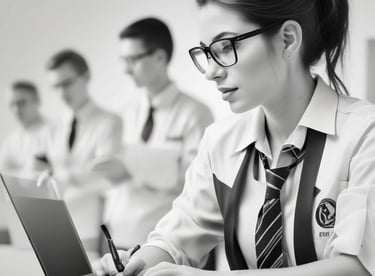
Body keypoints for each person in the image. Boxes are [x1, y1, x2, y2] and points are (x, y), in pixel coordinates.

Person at [95, 0, 374, 275]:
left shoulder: (364, 133)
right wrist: (138, 263)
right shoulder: (220, 142)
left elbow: (358, 266)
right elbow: (176, 236)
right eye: (206, 52)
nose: (210, 72)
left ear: (287, 40)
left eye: (226, 47)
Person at [101, 17, 214, 254]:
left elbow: (196, 182)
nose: (125, 69)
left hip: (164, 243)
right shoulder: (126, 113)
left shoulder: (195, 114)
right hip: (117, 237)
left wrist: (134, 167)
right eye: (123, 60)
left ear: (160, 57)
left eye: (133, 59)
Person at [43, 49, 123, 252]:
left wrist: (65, 177)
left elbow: (107, 175)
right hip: (54, 224)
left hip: (91, 225)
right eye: (56, 87)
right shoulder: (53, 128)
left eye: (67, 83)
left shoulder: (109, 122)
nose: (62, 93)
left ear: (85, 76)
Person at [0, 81, 50, 179]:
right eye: (12, 104)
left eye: (21, 103)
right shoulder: (11, 140)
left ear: (37, 101)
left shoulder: (56, 132)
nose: (16, 110)